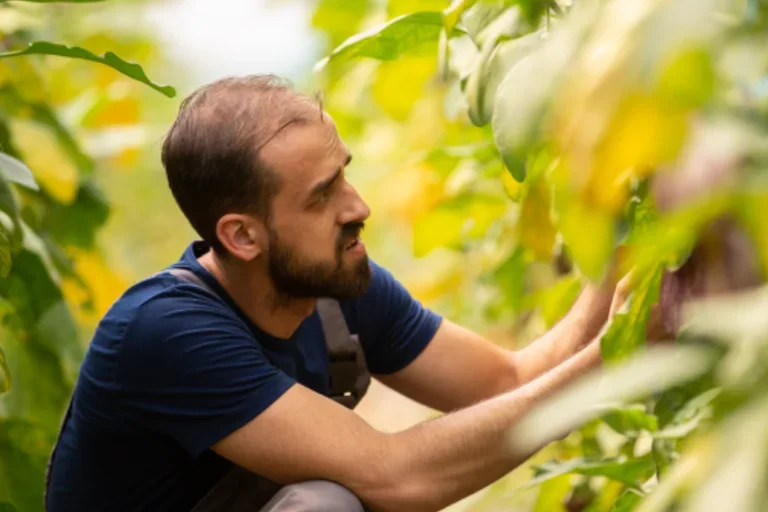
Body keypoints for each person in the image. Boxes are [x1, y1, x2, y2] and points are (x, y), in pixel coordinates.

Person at [45, 75, 632, 512]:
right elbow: (397, 476)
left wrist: (625, 262)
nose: (358, 207)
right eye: (322, 196)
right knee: (326, 505)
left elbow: (507, 382)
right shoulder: (166, 331)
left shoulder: (335, 283)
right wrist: (620, 356)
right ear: (242, 235)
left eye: (344, 175)